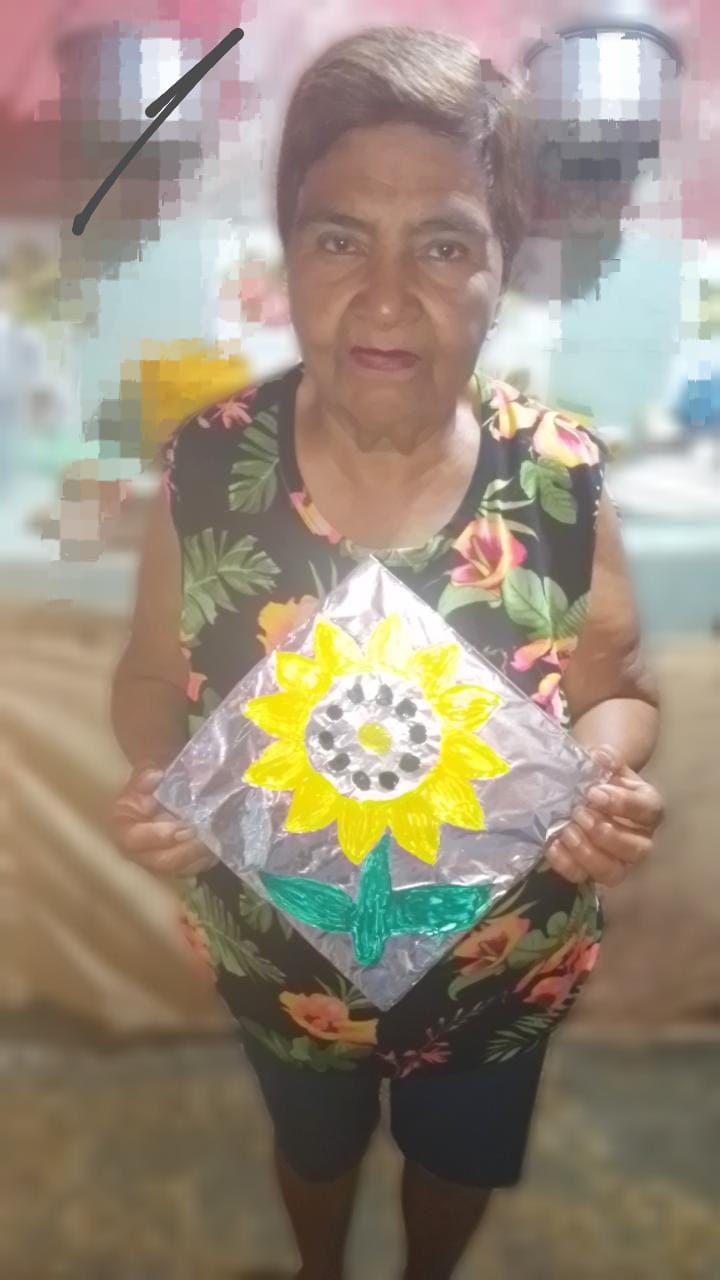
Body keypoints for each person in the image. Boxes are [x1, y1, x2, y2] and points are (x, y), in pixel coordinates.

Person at [110, 27, 664, 1280]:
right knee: (312, 1146)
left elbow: (616, 690)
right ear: (290, 252)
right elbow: (148, 679)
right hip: (281, 961)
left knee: (459, 1158)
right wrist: (159, 774)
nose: (384, 294)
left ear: (503, 267)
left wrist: (603, 771)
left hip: (500, 966)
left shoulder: (560, 478)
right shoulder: (211, 466)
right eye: (340, 238)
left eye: (445, 245)